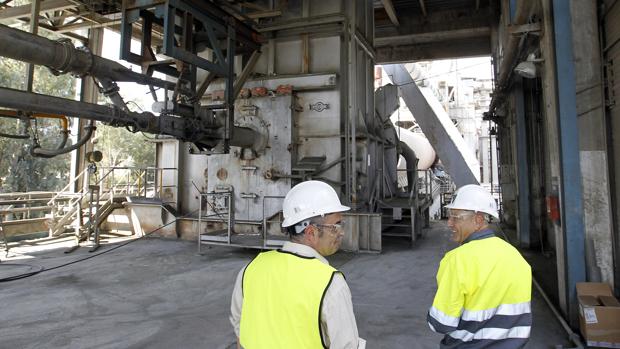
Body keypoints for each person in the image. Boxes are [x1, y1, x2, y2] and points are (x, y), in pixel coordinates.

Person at [230, 180, 366, 349]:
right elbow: (347, 346)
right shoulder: (330, 283)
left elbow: (240, 329)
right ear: (311, 232)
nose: (341, 232)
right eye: (336, 226)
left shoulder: (251, 269)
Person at [428, 184, 532, 348]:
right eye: (450, 216)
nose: (449, 223)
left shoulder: (457, 260)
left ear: (478, 220)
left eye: (456, 217)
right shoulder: (515, 257)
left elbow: (441, 323)